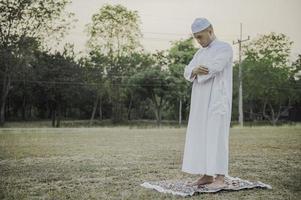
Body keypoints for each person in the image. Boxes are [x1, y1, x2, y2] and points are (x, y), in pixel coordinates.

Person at [181, 17, 233, 189]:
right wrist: (193, 70)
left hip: (217, 100)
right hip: (200, 102)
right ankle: (206, 175)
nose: (198, 41)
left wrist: (197, 71)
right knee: (202, 136)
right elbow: (188, 70)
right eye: (196, 37)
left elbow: (214, 67)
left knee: (217, 136)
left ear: (210, 31)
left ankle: (220, 177)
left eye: (200, 37)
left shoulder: (224, 48)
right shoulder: (199, 53)